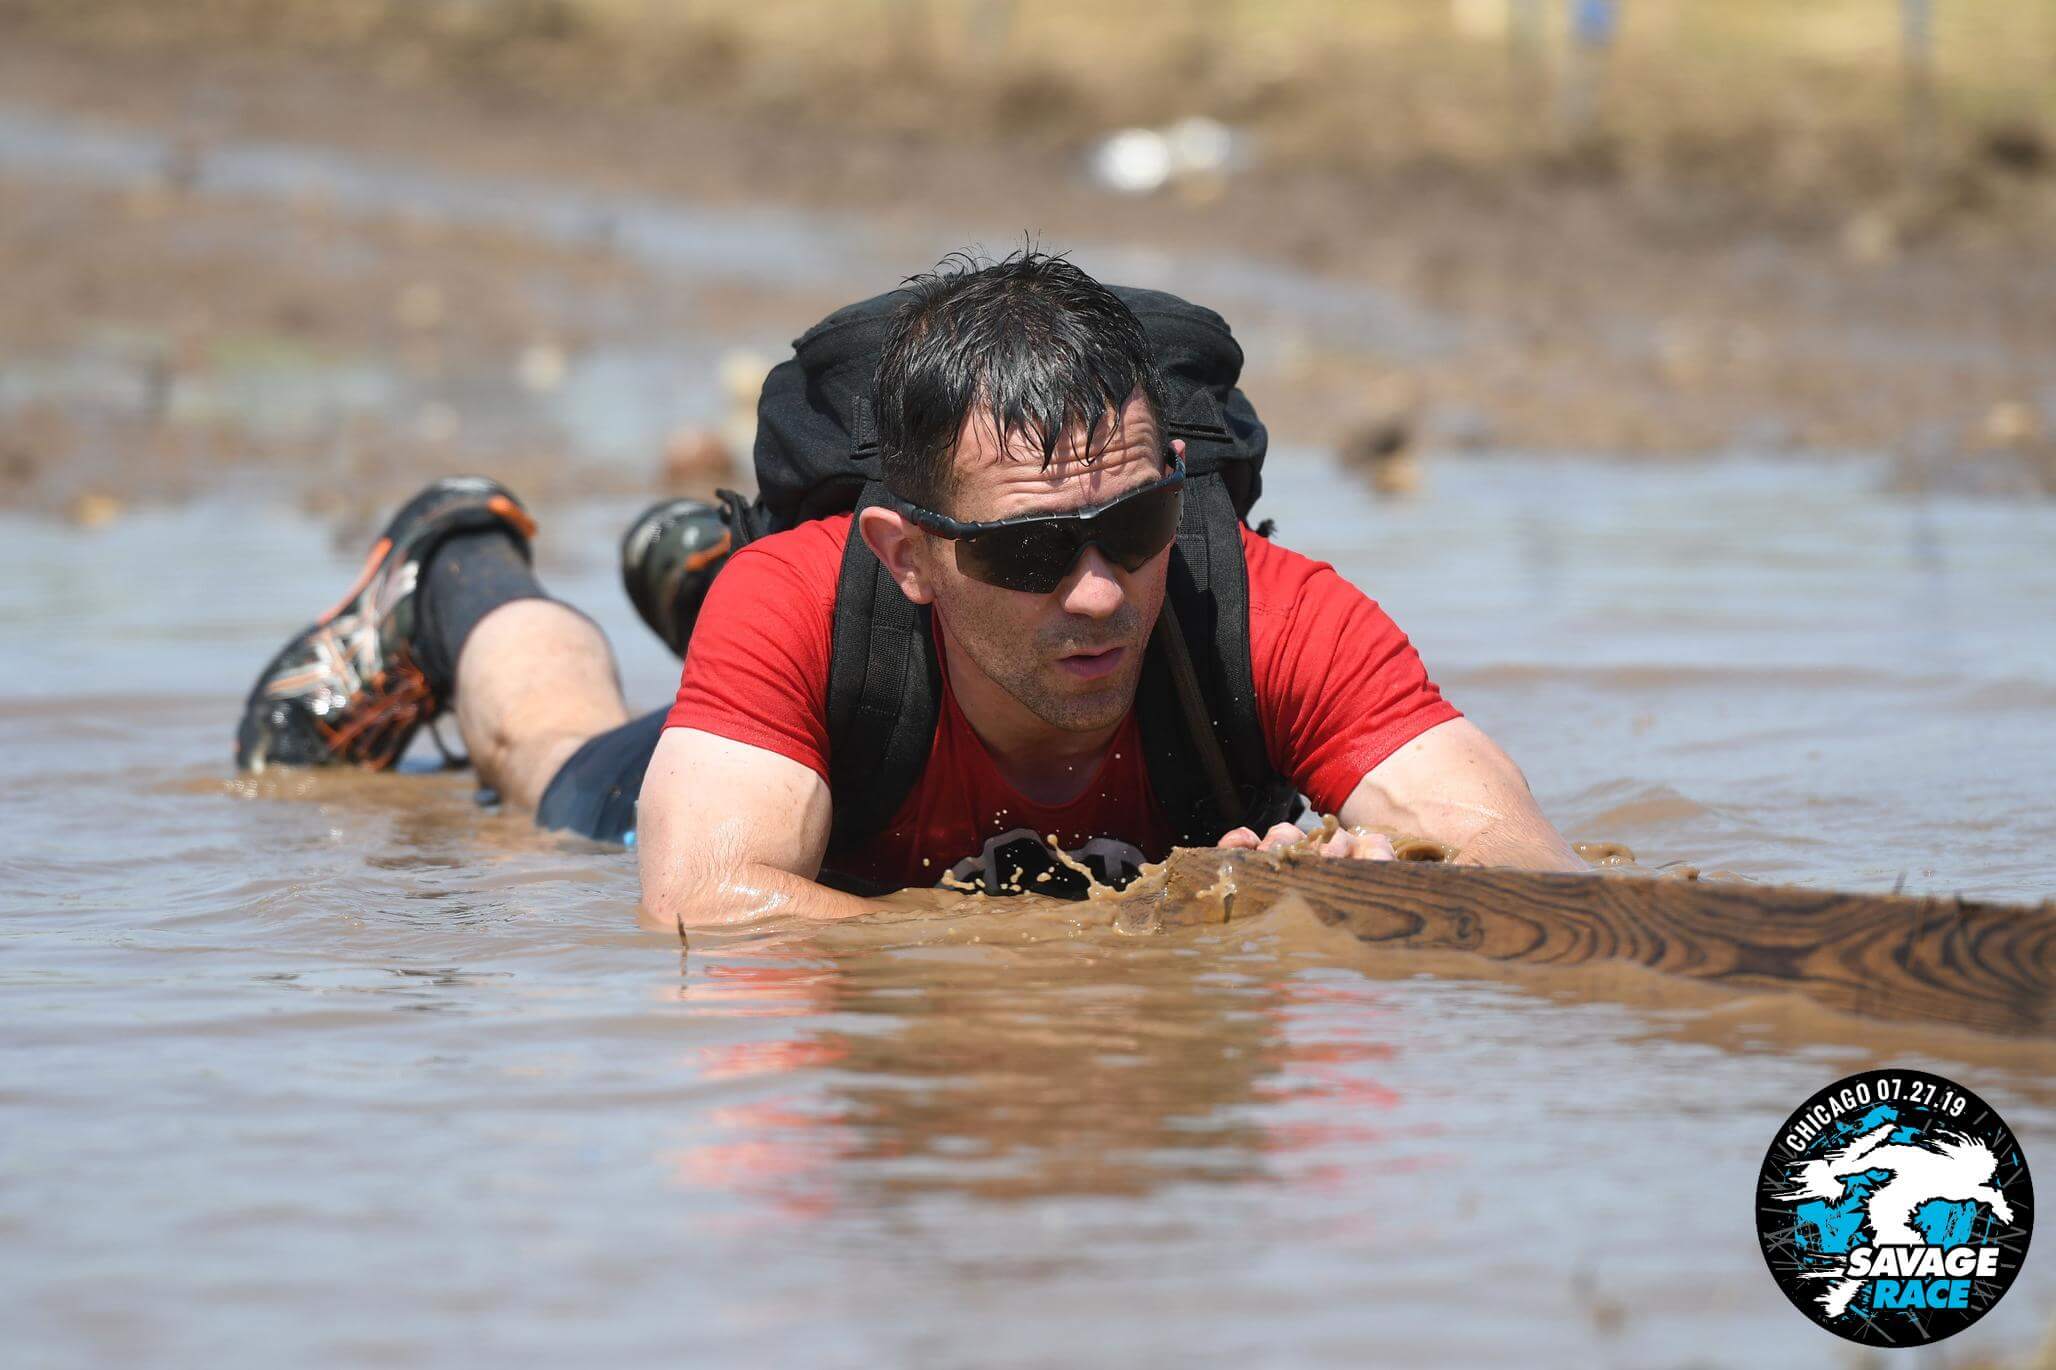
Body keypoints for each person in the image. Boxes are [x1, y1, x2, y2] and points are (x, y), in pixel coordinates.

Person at [237, 252, 1584, 928]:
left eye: (1134, 526)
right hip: (809, 689)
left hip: (828, 692)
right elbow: (699, 906)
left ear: (1178, 488)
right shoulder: (801, 601)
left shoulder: (1264, 606)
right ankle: (457, 568)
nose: (1101, 594)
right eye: (1028, 552)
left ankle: (714, 612)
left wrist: (1360, 905)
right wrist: (1096, 945)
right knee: (546, 769)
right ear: (906, 552)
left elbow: (1540, 877)